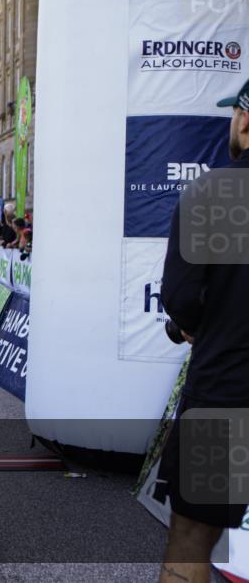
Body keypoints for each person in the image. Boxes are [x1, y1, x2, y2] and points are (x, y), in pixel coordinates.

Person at [158, 78, 249, 583]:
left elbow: (181, 297)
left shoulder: (215, 192)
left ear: (245, 119)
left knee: (192, 538)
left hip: (227, 393)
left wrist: (195, 327)